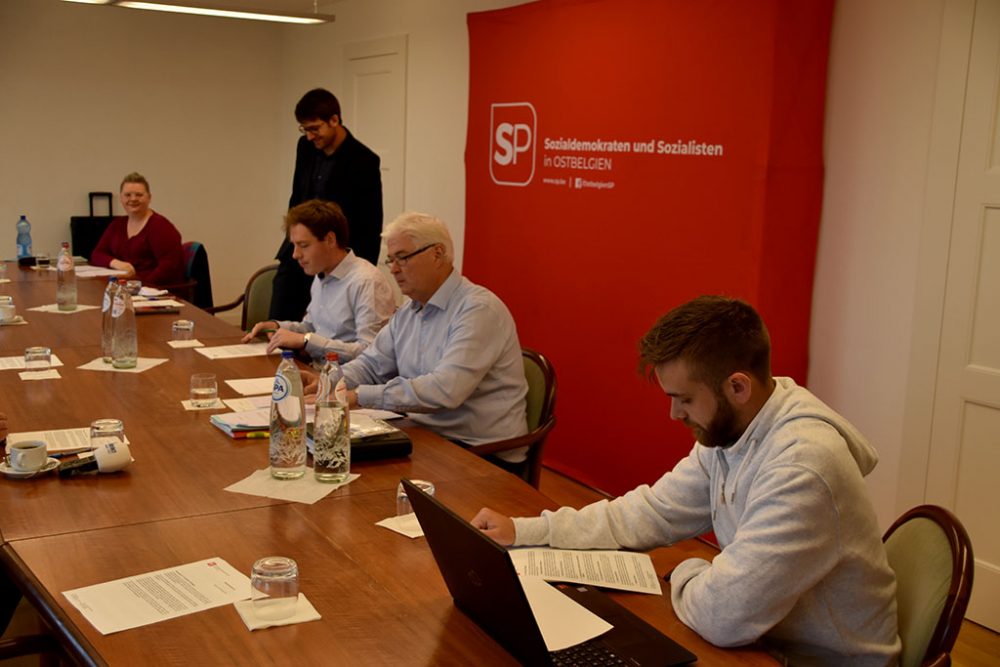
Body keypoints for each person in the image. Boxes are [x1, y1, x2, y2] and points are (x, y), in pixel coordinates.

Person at [473, 296, 901, 666]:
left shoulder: (803, 467)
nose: (675, 415)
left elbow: (724, 615)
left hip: (812, 660)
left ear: (737, 386)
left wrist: (690, 570)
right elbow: (652, 512)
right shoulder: (736, 429)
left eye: (685, 399)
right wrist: (527, 531)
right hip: (767, 638)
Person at [338, 212, 529, 464]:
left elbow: (444, 391)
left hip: (479, 451)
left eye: (402, 258)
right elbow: (371, 364)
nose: (393, 270)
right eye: (391, 260)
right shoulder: (409, 309)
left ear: (437, 254)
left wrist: (359, 396)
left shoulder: (478, 310)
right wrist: (329, 380)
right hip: (425, 435)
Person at [270, 88, 383, 322]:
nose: (310, 136)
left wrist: (362, 272)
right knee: (280, 317)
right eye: (305, 129)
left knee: (325, 324)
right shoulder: (305, 147)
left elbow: (370, 222)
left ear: (334, 120)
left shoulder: (364, 160)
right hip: (300, 248)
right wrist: (293, 241)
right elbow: (297, 197)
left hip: (335, 257)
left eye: (315, 128)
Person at [242, 200, 394, 364]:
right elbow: (312, 327)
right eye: (294, 245)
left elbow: (371, 352)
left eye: (303, 245)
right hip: (317, 372)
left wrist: (306, 340)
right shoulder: (322, 273)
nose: (295, 255)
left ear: (330, 239)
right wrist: (276, 326)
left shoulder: (367, 281)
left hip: (347, 382)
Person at [90, 172, 185, 285]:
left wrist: (140, 286)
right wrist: (116, 263)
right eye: (128, 195)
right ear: (121, 198)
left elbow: (168, 267)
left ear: (149, 198)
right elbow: (97, 254)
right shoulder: (117, 224)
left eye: (139, 195)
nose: (133, 199)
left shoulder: (160, 226)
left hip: (154, 291)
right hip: (126, 288)